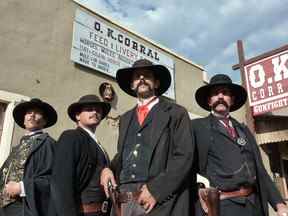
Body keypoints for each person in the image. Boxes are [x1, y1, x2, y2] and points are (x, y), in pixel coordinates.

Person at [101, 59, 194, 216]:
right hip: (124, 202)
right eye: (137, 76)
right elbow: (125, 154)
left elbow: (184, 156)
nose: (142, 79)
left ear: (156, 83)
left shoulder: (176, 113)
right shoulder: (125, 118)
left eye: (147, 75)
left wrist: (156, 190)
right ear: (132, 85)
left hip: (159, 201)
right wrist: (108, 168)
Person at [191, 74, 288, 216]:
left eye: (225, 93)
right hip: (222, 208)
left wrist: (279, 204)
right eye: (215, 93)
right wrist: (198, 186)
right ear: (209, 101)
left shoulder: (243, 130)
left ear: (232, 100)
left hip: (254, 206)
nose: (220, 96)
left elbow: (260, 170)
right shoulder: (197, 128)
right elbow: (183, 162)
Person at [50, 94, 111, 216]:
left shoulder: (98, 145)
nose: (94, 112)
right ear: (77, 115)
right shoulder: (71, 137)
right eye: (89, 109)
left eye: (98, 110)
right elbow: (61, 184)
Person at [0, 98, 57, 216]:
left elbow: (53, 179)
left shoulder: (48, 144)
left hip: (24, 207)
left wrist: (21, 187)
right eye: (29, 112)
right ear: (24, 120)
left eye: (37, 112)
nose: (32, 115)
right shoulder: (18, 146)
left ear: (44, 121)